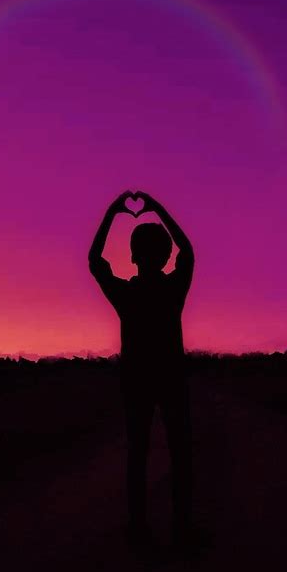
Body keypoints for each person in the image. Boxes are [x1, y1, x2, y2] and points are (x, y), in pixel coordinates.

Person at [89, 190, 194, 552]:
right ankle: (182, 528)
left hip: (136, 381)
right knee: (180, 453)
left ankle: (138, 528)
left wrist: (113, 211)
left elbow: (95, 260)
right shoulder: (173, 289)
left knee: (138, 452)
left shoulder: (126, 295)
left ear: (133, 256)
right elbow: (189, 250)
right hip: (171, 379)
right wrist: (158, 208)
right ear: (164, 256)